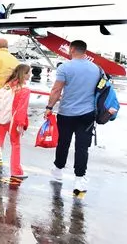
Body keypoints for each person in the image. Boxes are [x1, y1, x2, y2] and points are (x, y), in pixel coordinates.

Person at [45, 40, 111, 193]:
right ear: (84, 51)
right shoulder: (96, 68)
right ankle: (79, 179)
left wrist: (49, 107)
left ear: (72, 49)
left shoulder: (65, 67)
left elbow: (56, 90)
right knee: (82, 147)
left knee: (63, 143)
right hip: (87, 114)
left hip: (66, 113)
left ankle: (58, 170)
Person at [0, 64, 32, 179]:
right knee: (15, 144)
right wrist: (21, 124)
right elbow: (21, 109)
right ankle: (16, 171)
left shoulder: (8, 85)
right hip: (14, 120)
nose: (30, 75)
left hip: (2, 117)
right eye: (28, 73)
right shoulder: (25, 90)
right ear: (24, 74)